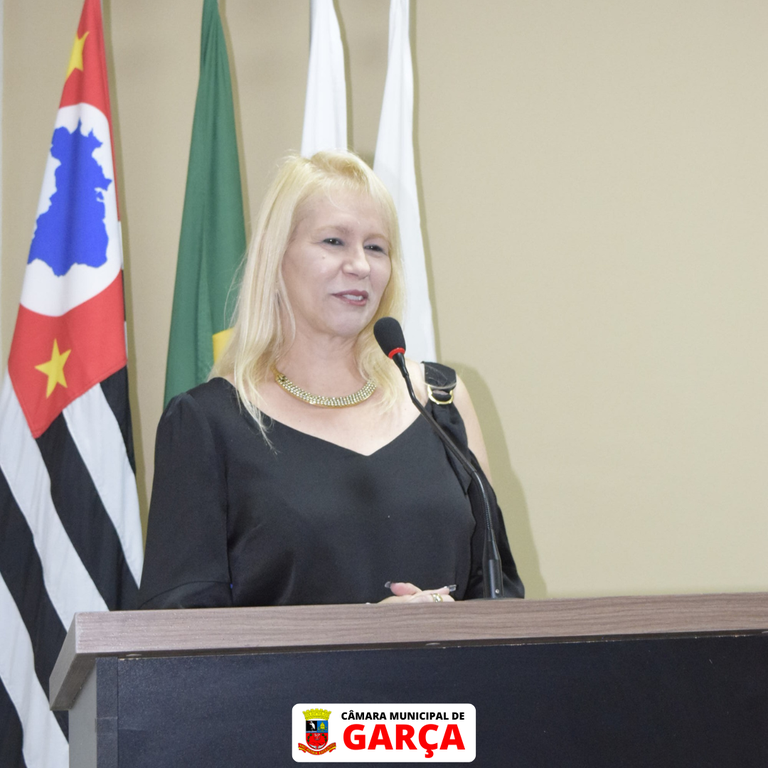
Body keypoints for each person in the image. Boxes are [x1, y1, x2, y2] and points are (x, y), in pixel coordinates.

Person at [137, 150, 523, 610]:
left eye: (376, 247)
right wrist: (365, 636)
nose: (360, 265)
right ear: (276, 257)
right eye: (334, 241)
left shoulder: (442, 402)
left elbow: (499, 598)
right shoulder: (206, 423)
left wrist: (438, 628)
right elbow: (180, 632)